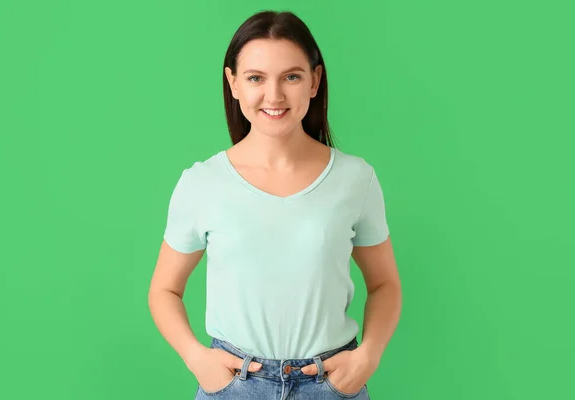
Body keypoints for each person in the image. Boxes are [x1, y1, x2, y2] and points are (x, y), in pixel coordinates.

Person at [148, 10, 402, 399]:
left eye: (292, 77)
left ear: (314, 81)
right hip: (233, 386)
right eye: (255, 78)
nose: (274, 95)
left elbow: (385, 284)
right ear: (232, 83)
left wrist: (368, 357)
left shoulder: (356, 179)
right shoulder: (202, 183)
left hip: (331, 385)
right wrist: (196, 358)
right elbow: (164, 290)